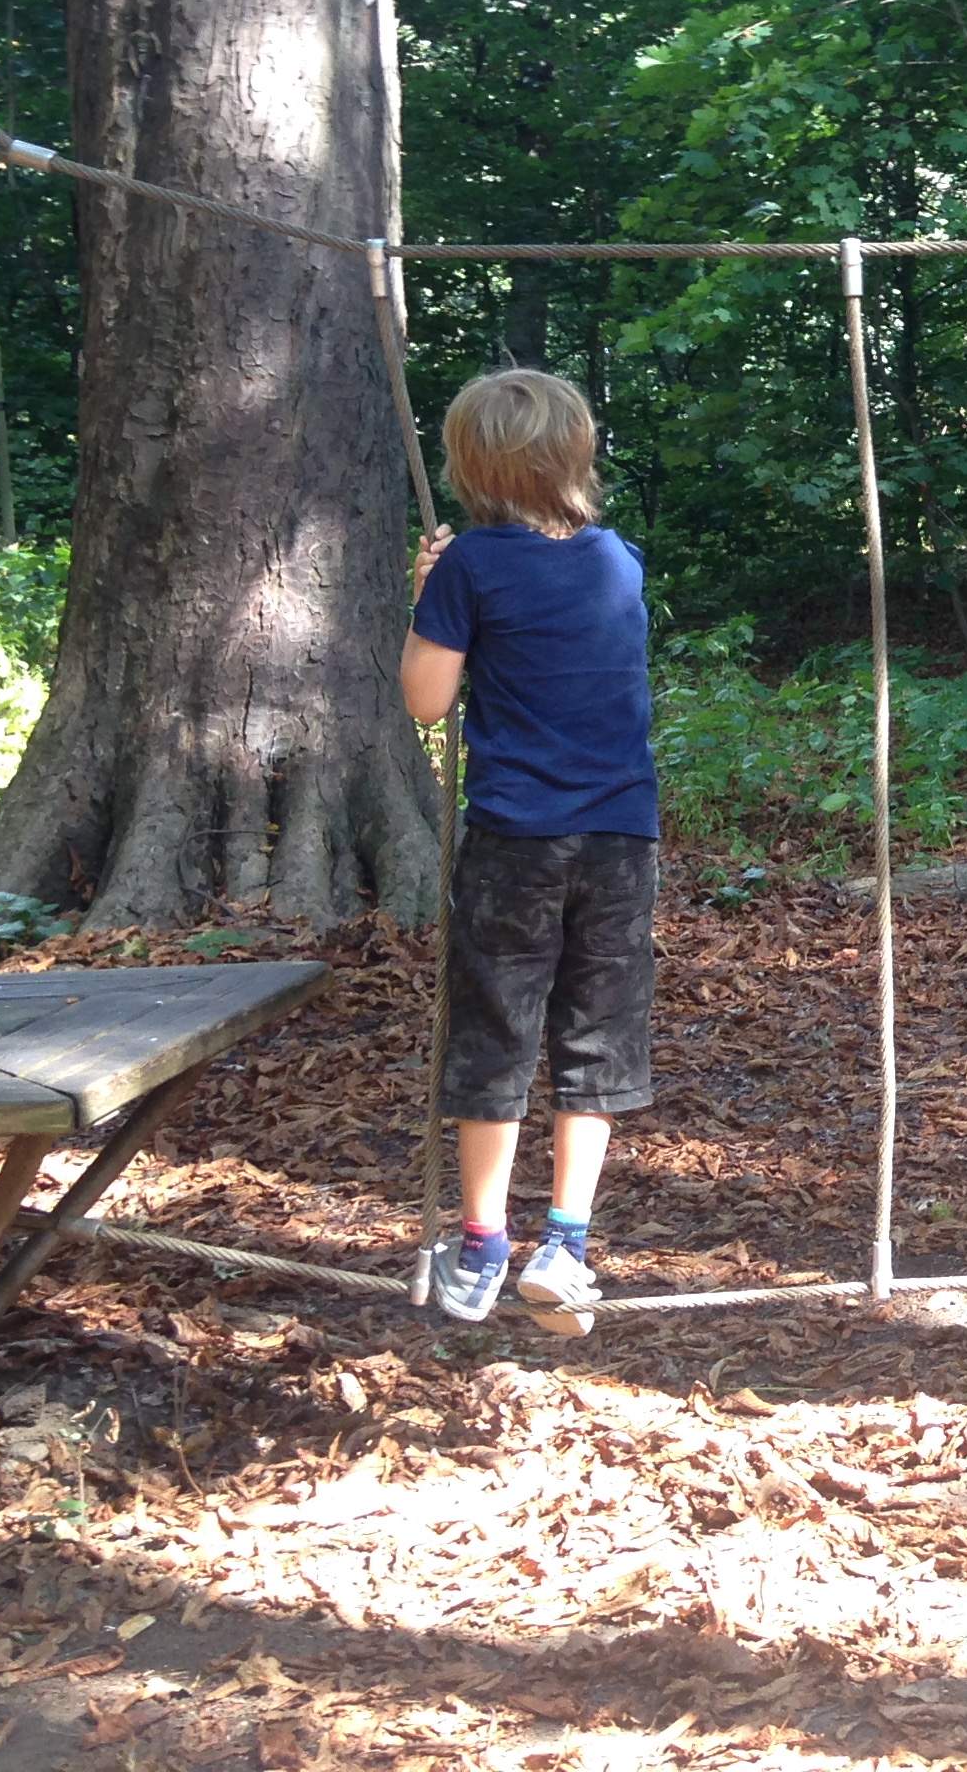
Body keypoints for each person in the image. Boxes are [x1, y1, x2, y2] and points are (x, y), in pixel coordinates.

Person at [401, 368, 660, 1333]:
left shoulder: (469, 564)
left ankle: (480, 1248)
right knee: (598, 1033)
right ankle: (566, 1244)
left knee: (497, 1030)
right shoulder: (618, 560)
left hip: (517, 838)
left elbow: (427, 701)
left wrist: (430, 598)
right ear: (575, 456)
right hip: (621, 839)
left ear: (471, 467)